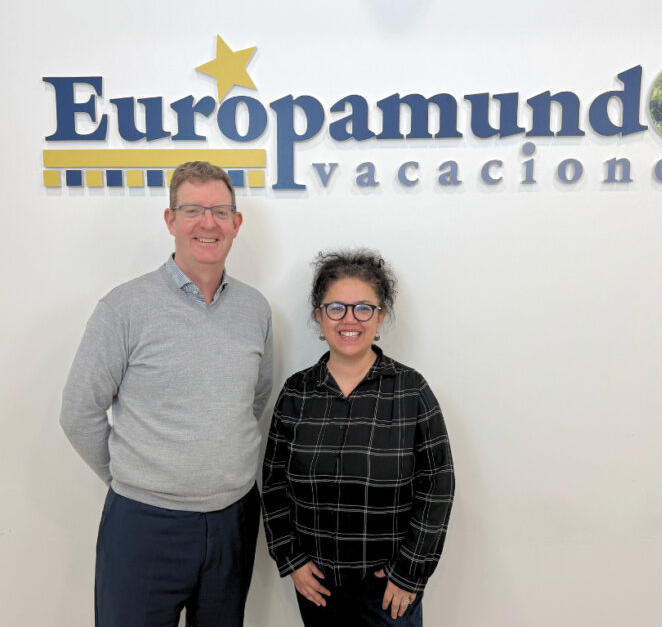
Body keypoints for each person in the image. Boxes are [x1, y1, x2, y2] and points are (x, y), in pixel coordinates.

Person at [60, 161, 273, 627]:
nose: (207, 223)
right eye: (192, 210)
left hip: (234, 520)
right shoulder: (124, 308)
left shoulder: (255, 309)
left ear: (236, 223)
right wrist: (133, 478)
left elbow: (254, 399)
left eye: (219, 211)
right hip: (144, 524)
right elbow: (79, 412)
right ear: (170, 219)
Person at [261, 249, 454, 626]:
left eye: (363, 308)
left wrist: (410, 571)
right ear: (319, 316)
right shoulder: (297, 393)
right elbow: (273, 483)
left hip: (389, 589)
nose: (349, 319)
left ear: (380, 316)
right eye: (336, 308)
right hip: (317, 586)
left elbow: (438, 486)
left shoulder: (411, 391)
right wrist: (291, 559)